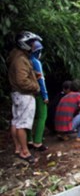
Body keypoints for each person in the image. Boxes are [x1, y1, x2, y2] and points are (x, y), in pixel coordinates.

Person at [8, 31, 42, 164]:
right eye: (32, 43)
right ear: (25, 44)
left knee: (15, 122)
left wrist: (33, 75)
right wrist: (36, 86)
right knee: (23, 124)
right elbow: (22, 81)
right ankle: (25, 151)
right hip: (24, 95)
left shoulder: (15, 57)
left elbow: (21, 76)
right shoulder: (21, 59)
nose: (33, 46)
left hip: (17, 93)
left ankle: (18, 148)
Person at [27, 40, 49, 151]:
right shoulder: (36, 62)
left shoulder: (25, 60)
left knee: (30, 116)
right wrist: (45, 95)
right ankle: (38, 142)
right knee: (42, 116)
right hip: (38, 92)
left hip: (29, 92)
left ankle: (29, 140)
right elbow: (41, 80)